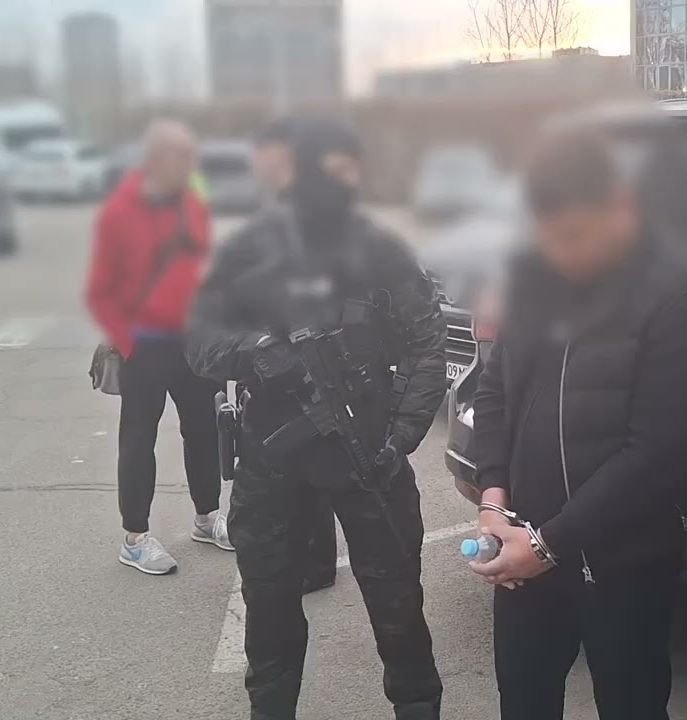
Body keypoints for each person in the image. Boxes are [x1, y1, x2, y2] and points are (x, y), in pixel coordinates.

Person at [469, 128, 687, 720]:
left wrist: (551, 544)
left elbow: (659, 453)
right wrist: (493, 498)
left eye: (572, 236)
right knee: (524, 698)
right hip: (525, 540)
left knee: (630, 700)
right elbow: (495, 391)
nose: (558, 255)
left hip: (626, 556)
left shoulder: (683, 292)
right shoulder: (536, 273)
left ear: (619, 206)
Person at [186, 116, 446, 720]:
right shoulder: (250, 249)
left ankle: (416, 705)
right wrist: (256, 350)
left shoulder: (381, 250)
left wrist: (402, 435)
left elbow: (427, 346)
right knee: (270, 608)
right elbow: (200, 341)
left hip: (369, 452)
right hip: (274, 457)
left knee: (398, 606)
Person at [85, 118, 228, 576]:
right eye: (180, 156)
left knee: (204, 431)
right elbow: (100, 290)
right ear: (155, 159)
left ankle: (207, 518)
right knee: (138, 439)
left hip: (194, 342)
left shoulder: (193, 204)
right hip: (144, 346)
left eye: (191, 155)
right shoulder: (120, 211)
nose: (189, 164)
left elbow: (199, 268)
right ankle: (134, 538)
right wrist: (127, 341)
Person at [249, 116, 341, 594]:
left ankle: (318, 564)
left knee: (318, 466)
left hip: (320, 370)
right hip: (283, 373)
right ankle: (311, 563)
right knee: (300, 472)